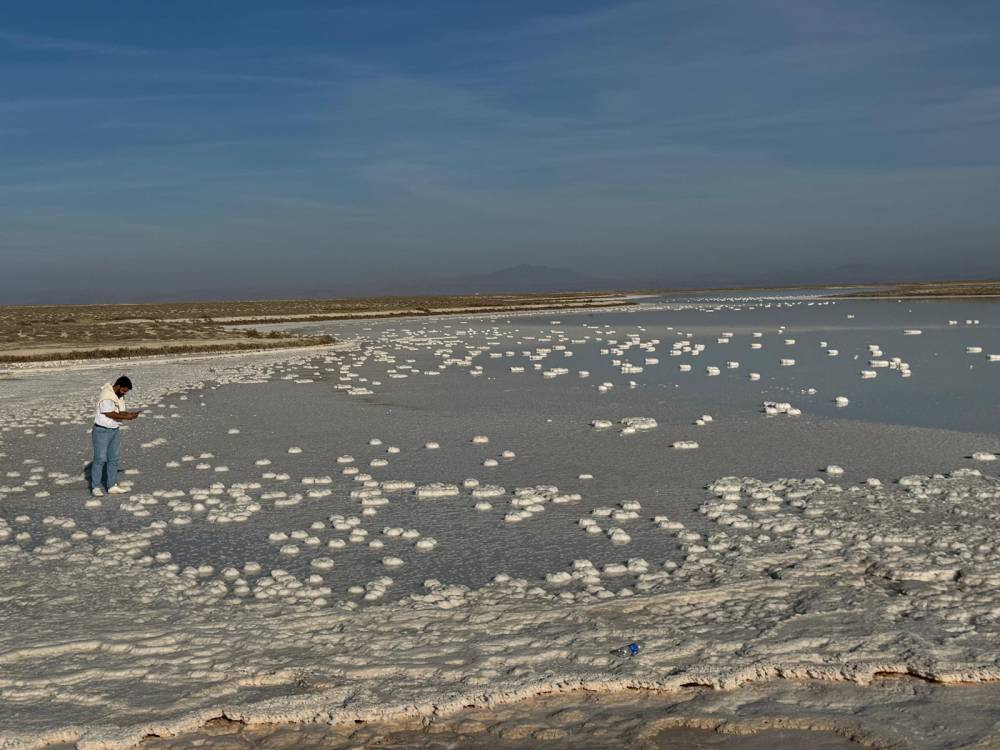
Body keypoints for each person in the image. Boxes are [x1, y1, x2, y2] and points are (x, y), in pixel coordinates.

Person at [91, 375, 139, 497]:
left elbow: (119, 412)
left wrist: (129, 414)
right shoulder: (107, 396)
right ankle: (95, 486)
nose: (124, 394)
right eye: (123, 391)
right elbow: (110, 413)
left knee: (113, 459)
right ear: (118, 386)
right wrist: (126, 417)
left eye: (126, 392)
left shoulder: (118, 396)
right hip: (102, 431)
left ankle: (112, 486)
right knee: (100, 459)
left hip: (114, 430)